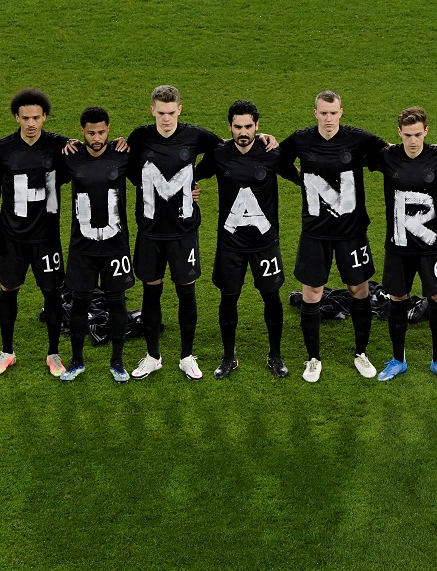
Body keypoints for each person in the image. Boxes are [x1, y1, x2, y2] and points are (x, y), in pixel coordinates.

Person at [278, 90, 388, 383]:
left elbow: (392, 152)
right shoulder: (301, 139)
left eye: (333, 112)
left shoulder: (359, 138)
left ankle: (361, 353)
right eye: (323, 113)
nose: (328, 118)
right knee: (311, 293)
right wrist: (298, 176)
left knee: (359, 290)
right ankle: (313, 359)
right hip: (315, 233)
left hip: (351, 233)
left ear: (341, 112)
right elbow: (278, 160)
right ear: (315, 113)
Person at [193, 100, 299, 380]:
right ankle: (229, 357)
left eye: (248, 126)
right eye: (238, 126)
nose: (243, 131)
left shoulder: (272, 154)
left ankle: (275, 355)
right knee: (229, 298)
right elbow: (192, 174)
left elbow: (300, 178)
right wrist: (190, 189)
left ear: (257, 126)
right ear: (229, 127)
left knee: (271, 297)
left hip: (265, 243)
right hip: (231, 245)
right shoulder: (219, 154)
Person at [127, 85, 222, 380]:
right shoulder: (139, 136)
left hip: (183, 232)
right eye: (161, 112)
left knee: (186, 292)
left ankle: (186, 356)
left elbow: (224, 150)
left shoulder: (195, 135)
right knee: (150, 292)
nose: (166, 118)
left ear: (179, 110)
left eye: (171, 113)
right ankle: (153, 356)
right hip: (151, 232)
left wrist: (195, 178)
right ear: (152, 110)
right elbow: (128, 167)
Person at [370, 107, 437, 382]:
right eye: (408, 135)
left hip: (431, 246)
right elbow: (357, 154)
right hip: (398, 247)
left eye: (418, 134)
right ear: (399, 133)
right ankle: (398, 360)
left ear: (427, 132)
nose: (413, 141)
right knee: (397, 300)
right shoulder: (388, 156)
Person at [0, 88, 69, 377]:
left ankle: (54, 354)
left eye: (36, 117)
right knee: (8, 290)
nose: (31, 123)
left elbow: (92, 158)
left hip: (47, 239)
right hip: (12, 237)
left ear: (45, 117)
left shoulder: (59, 146)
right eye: (25, 118)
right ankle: (7, 352)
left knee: (52, 292)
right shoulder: (2, 149)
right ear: (16, 118)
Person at [56, 107, 135, 382]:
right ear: (82, 132)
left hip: (116, 247)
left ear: (109, 129)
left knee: (117, 303)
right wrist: (63, 143)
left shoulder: (123, 154)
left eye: (101, 132)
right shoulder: (71, 156)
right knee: (79, 304)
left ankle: (118, 362)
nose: (97, 138)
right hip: (82, 248)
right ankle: (76, 362)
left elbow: (149, 175)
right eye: (91, 133)